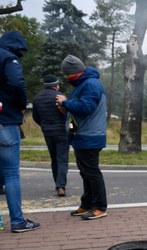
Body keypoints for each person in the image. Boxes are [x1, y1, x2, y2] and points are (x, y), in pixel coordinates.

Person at [55, 55, 108, 220]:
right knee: (85, 172)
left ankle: (100, 206)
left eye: (67, 74)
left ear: (74, 73)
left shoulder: (90, 84)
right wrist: (66, 111)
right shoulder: (82, 84)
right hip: (81, 135)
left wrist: (65, 103)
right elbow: (76, 113)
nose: (66, 78)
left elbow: (86, 107)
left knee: (91, 172)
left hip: (90, 136)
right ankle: (87, 204)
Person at [0, 31, 41, 232]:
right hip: (5, 121)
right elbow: (16, 83)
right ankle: (17, 221)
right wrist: (22, 104)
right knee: (10, 174)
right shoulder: (9, 58)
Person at [32, 74, 69, 197]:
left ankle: (57, 184)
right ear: (56, 85)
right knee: (62, 159)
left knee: (54, 159)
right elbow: (67, 114)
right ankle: (61, 186)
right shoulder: (60, 97)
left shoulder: (37, 98)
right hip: (62, 132)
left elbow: (35, 117)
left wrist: (44, 125)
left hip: (48, 132)